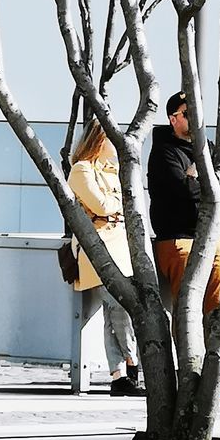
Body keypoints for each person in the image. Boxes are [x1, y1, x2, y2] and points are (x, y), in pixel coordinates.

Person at [68, 122, 144, 397]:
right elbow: (102, 205)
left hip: (120, 245)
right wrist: (114, 207)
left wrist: (112, 207)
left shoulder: (111, 170)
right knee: (119, 305)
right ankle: (132, 363)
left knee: (115, 312)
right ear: (99, 140)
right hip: (98, 247)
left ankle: (119, 375)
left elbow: (127, 199)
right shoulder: (81, 169)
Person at [147, 90, 220, 323]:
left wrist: (194, 178)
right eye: (187, 113)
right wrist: (199, 167)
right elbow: (186, 190)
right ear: (173, 119)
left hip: (211, 238)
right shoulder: (164, 151)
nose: (195, 118)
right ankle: (188, 358)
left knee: (219, 309)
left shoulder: (211, 148)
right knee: (188, 311)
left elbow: (219, 187)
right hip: (179, 240)